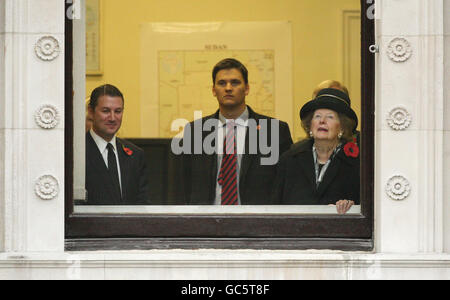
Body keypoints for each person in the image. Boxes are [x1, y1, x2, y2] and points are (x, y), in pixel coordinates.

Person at [181, 58, 293, 205]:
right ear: (214, 90)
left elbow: (288, 184)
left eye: (235, 82)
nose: (228, 88)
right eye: (222, 83)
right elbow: (183, 185)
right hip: (207, 222)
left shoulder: (275, 131)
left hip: (257, 223)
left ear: (246, 88)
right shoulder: (195, 132)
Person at [273, 88, 360, 214]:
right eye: (317, 116)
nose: (322, 121)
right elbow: (275, 204)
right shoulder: (290, 159)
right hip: (295, 231)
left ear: (342, 127)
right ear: (310, 125)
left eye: (330, 117)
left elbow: (365, 206)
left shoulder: (356, 162)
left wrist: (351, 206)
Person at [85, 84, 150, 205]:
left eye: (118, 111)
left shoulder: (135, 155)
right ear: (91, 111)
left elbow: (142, 205)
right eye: (106, 111)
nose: (113, 118)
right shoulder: (77, 152)